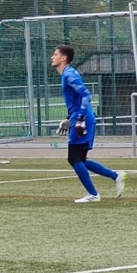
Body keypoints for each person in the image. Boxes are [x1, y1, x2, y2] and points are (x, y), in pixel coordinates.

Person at [52, 45, 126, 203]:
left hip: (83, 118)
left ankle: (93, 195)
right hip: (83, 117)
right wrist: (69, 118)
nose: (52, 57)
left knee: (73, 158)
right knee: (81, 159)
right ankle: (115, 176)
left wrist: (79, 118)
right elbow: (78, 99)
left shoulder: (69, 74)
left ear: (64, 58)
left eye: (56, 54)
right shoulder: (67, 74)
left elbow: (86, 95)